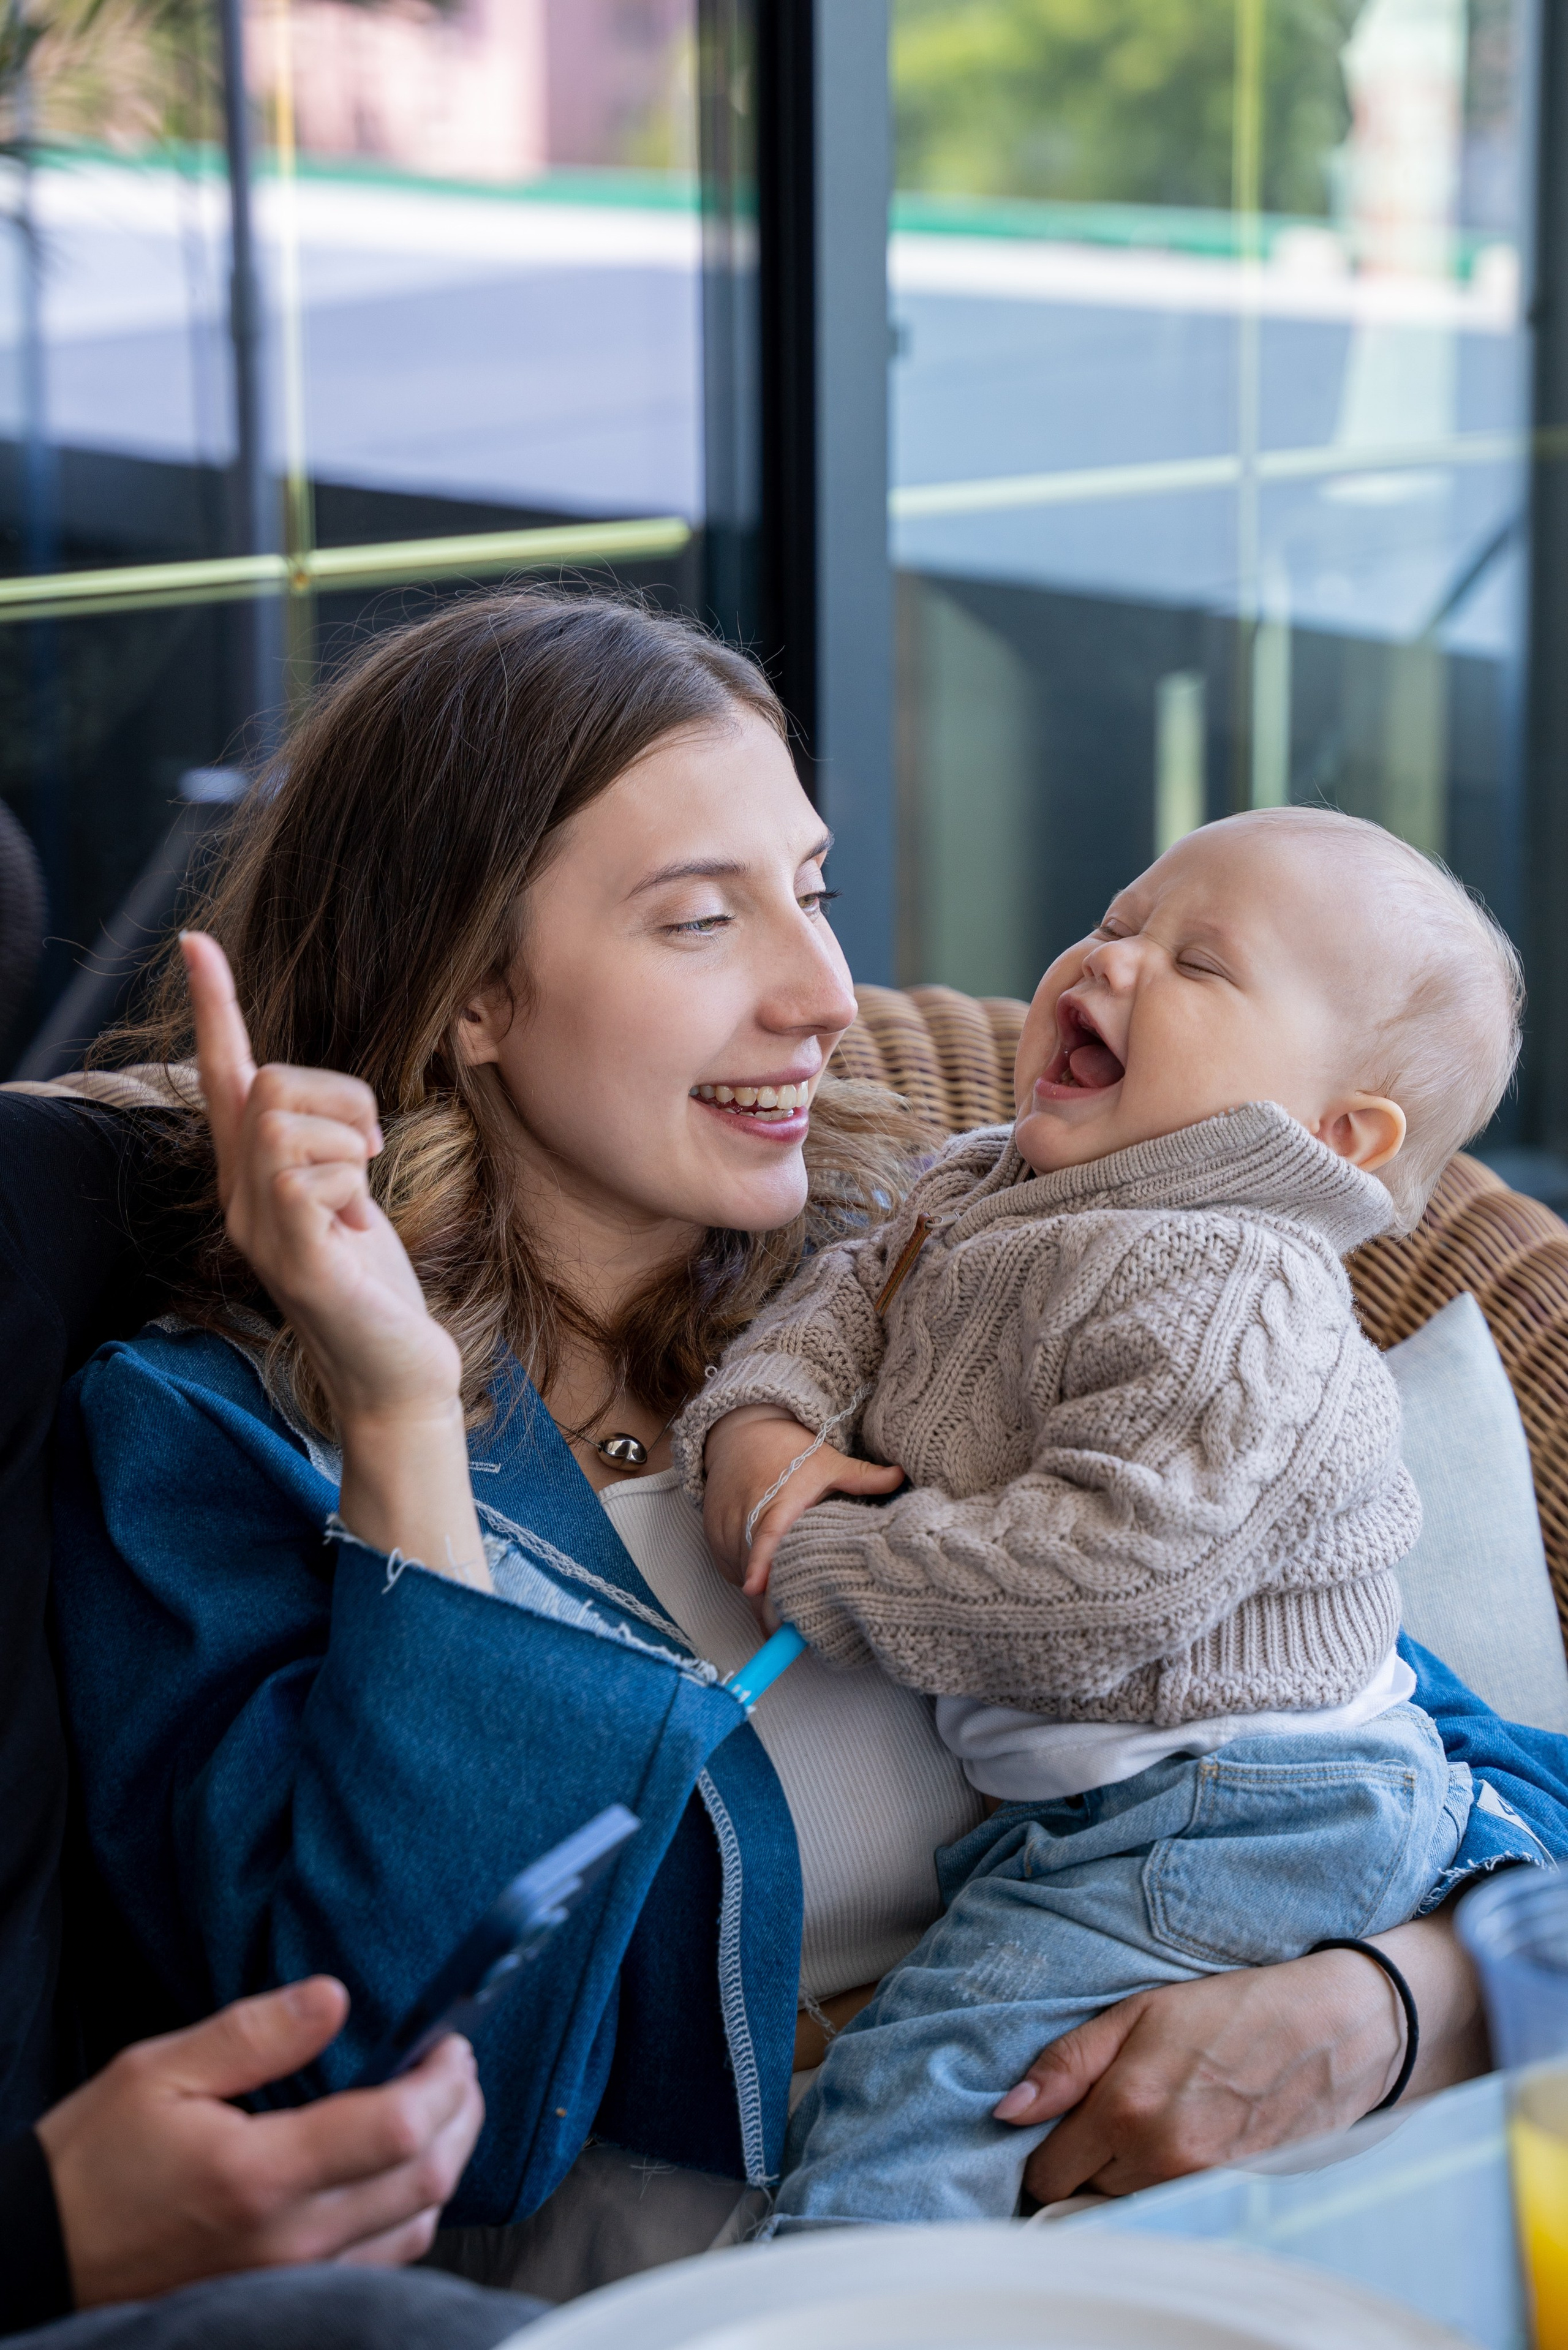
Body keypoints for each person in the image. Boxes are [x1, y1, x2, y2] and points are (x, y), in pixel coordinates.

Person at [39, 592, 1568, 2299]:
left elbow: (1427, 1749)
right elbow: (379, 2087)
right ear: (472, 990)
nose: (827, 992)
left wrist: (1393, 2004)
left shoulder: (951, 1273)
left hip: (1212, 2245)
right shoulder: (223, 1438)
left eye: (817, 891)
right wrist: (403, 1415)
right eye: (703, 920)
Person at [680, 807, 1520, 2227]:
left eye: (1199, 962)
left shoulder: (1238, 1284)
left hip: (1242, 1805)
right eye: (1120, 918)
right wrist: (756, 1429)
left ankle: (829, 2304)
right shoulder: (977, 1184)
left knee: (909, 2106)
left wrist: (819, 1563)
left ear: (1329, 1130)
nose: (1110, 959)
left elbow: (1101, 1589)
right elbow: (830, 1317)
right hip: (1111, 1804)